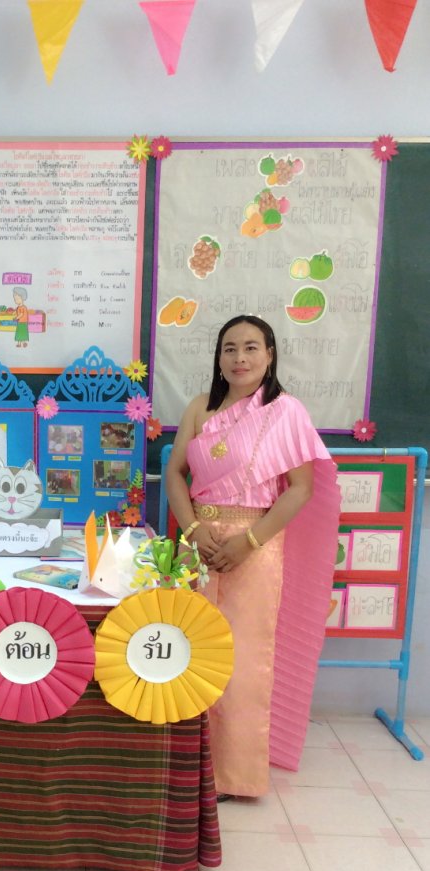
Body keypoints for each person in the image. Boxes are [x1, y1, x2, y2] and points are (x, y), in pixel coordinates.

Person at [166, 315, 340, 799]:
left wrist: (249, 542)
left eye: (250, 347)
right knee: (188, 651)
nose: (239, 358)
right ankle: (182, 767)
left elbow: (300, 489)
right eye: (229, 348)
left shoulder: (285, 412)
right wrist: (193, 529)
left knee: (242, 662)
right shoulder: (200, 407)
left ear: (269, 355)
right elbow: (176, 473)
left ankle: (233, 775)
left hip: (255, 546)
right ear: (218, 357)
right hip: (197, 545)